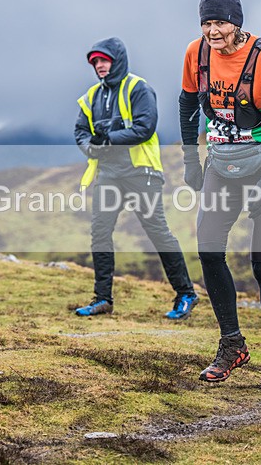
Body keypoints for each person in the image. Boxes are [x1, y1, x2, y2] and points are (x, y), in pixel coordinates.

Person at [179, 0, 261, 390]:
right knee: (208, 251)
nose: (213, 31)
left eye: (221, 23)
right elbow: (186, 105)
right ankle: (232, 345)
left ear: (237, 23)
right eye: (207, 22)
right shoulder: (196, 54)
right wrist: (191, 162)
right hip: (222, 166)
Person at [74, 37, 198, 319]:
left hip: (141, 172)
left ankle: (186, 293)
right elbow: (80, 131)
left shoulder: (138, 88)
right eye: (95, 62)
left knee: (157, 231)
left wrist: (108, 139)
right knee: (100, 232)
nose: (99, 66)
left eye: (103, 60)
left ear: (117, 60)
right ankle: (102, 299)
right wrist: (91, 147)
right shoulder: (91, 96)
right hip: (108, 172)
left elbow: (145, 127)